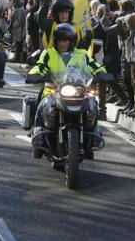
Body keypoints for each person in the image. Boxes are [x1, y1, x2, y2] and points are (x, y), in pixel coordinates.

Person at [26, 23, 106, 158]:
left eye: (66, 40)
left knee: (92, 105)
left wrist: (101, 73)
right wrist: (35, 73)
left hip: (78, 91)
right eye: (60, 40)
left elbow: (94, 65)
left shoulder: (82, 54)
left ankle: (92, 136)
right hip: (53, 90)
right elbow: (40, 66)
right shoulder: (48, 53)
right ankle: (38, 134)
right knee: (42, 106)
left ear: (72, 41)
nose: (63, 43)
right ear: (56, 41)